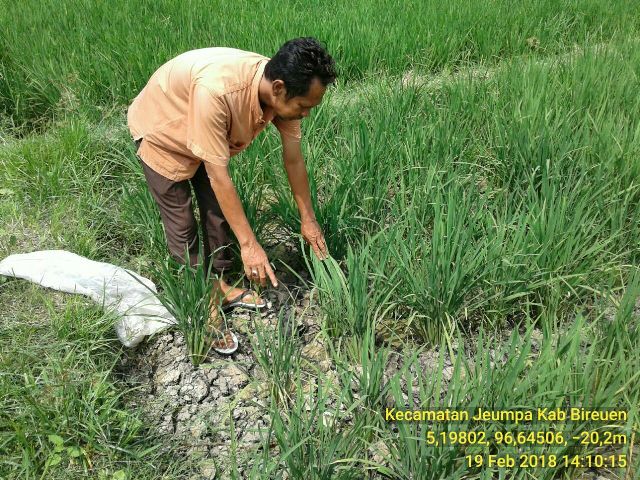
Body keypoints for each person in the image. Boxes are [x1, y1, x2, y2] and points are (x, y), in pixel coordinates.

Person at [127, 37, 336, 352]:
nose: (305, 114)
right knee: (182, 224)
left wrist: (308, 219)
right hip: (164, 129)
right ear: (278, 88)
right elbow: (219, 176)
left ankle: (221, 285)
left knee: (217, 212)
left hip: (202, 127)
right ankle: (204, 300)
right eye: (303, 106)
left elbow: (293, 159)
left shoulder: (283, 91)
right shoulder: (219, 91)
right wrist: (250, 246)